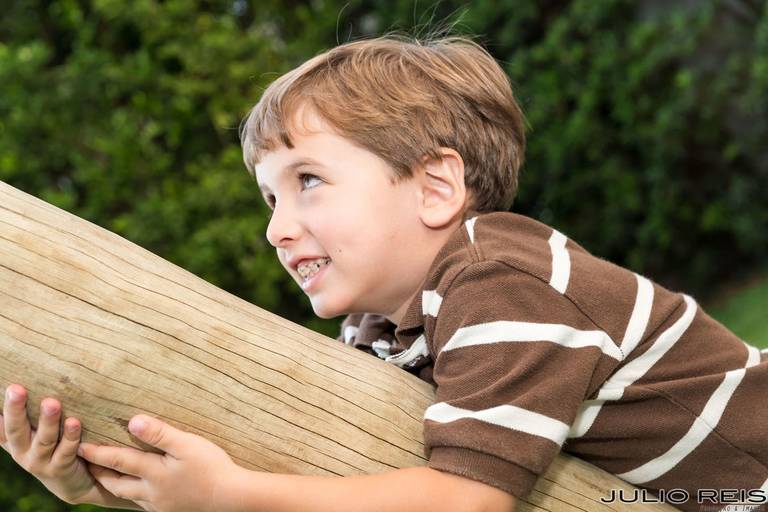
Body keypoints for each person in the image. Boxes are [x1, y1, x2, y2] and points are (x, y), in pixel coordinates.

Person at [2, 33, 767, 512]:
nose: (275, 228)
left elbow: (465, 501)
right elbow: (335, 472)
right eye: (269, 197)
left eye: (308, 181)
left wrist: (232, 498)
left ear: (435, 187)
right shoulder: (380, 333)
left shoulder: (502, 278)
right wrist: (89, 483)